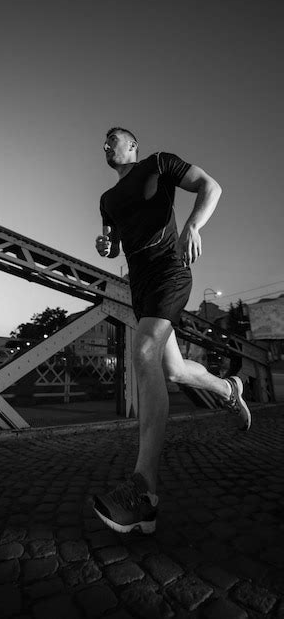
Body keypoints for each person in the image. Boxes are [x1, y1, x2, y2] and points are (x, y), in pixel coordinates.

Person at [93, 127, 251, 534]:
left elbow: (210, 187)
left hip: (170, 268)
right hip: (139, 283)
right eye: (104, 141)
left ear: (133, 146)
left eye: (114, 139)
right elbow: (112, 242)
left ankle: (144, 491)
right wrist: (105, 247)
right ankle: (228, 389)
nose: (107, 144)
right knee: (174, 370)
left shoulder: (158, 163)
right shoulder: (107, 200)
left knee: (143, 351)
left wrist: (193, 226)